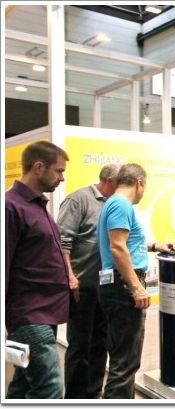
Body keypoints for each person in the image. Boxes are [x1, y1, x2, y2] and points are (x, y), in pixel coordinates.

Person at [97, 163, 174, 398]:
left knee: (123, 360)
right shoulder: (121, 205)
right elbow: (117, 247)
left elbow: (127, 243)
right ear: (139, 182)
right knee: (125, 364)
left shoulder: (114, 204)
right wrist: (137, 287)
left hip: (116, 284)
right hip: (122, 286)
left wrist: (155, 246)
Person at [5, 141, 70, 399]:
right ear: (39, 167)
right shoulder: (10, 207)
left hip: (45, 311)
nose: (61, 178)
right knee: (49, 387)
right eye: (59, 171)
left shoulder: (37, 206)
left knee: (23, 385)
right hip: (29, 314)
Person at [58, 163, 121, 399]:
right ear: (109, 181)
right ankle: (75, 398)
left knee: (100, 343)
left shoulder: (114, 204)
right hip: (81, 287)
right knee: (79, 346)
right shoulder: (79, 200)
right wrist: (70, 276)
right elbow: (62, 241)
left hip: (105, 287)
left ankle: (93, 394)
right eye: (121, 182)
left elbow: (119, 241)